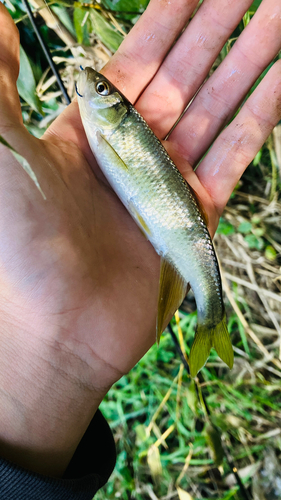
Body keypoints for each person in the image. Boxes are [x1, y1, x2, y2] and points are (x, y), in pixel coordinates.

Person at [0, 0, 280, 497]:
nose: (92, 85)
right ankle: (210, 323)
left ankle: (210, 319)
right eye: (99, 86)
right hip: (170, 228)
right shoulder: (104, 123)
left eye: (101, 88)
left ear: (110, 104)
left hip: (176, 233)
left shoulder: (110, 123)